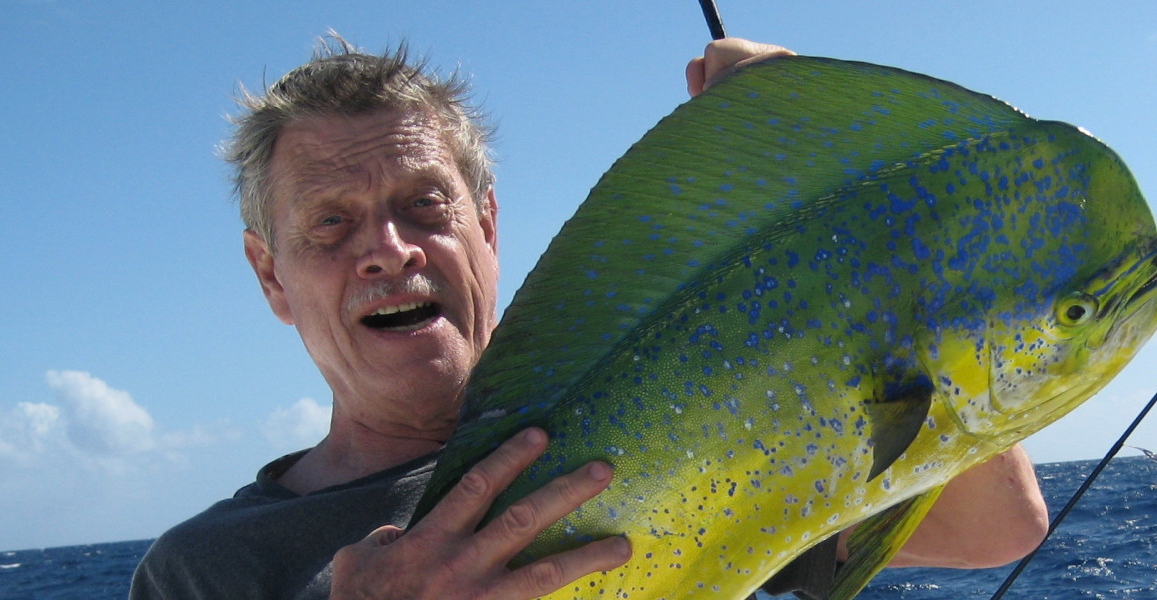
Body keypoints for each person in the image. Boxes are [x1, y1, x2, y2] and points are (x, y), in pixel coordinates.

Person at [130, 36, 1049, 600]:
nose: (389, 249)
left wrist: (837, 166)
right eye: (330, 223)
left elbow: (994, 530)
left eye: (425, 205)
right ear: (271, 275)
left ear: (488, 228)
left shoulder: (673, 422)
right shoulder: (203, 572)